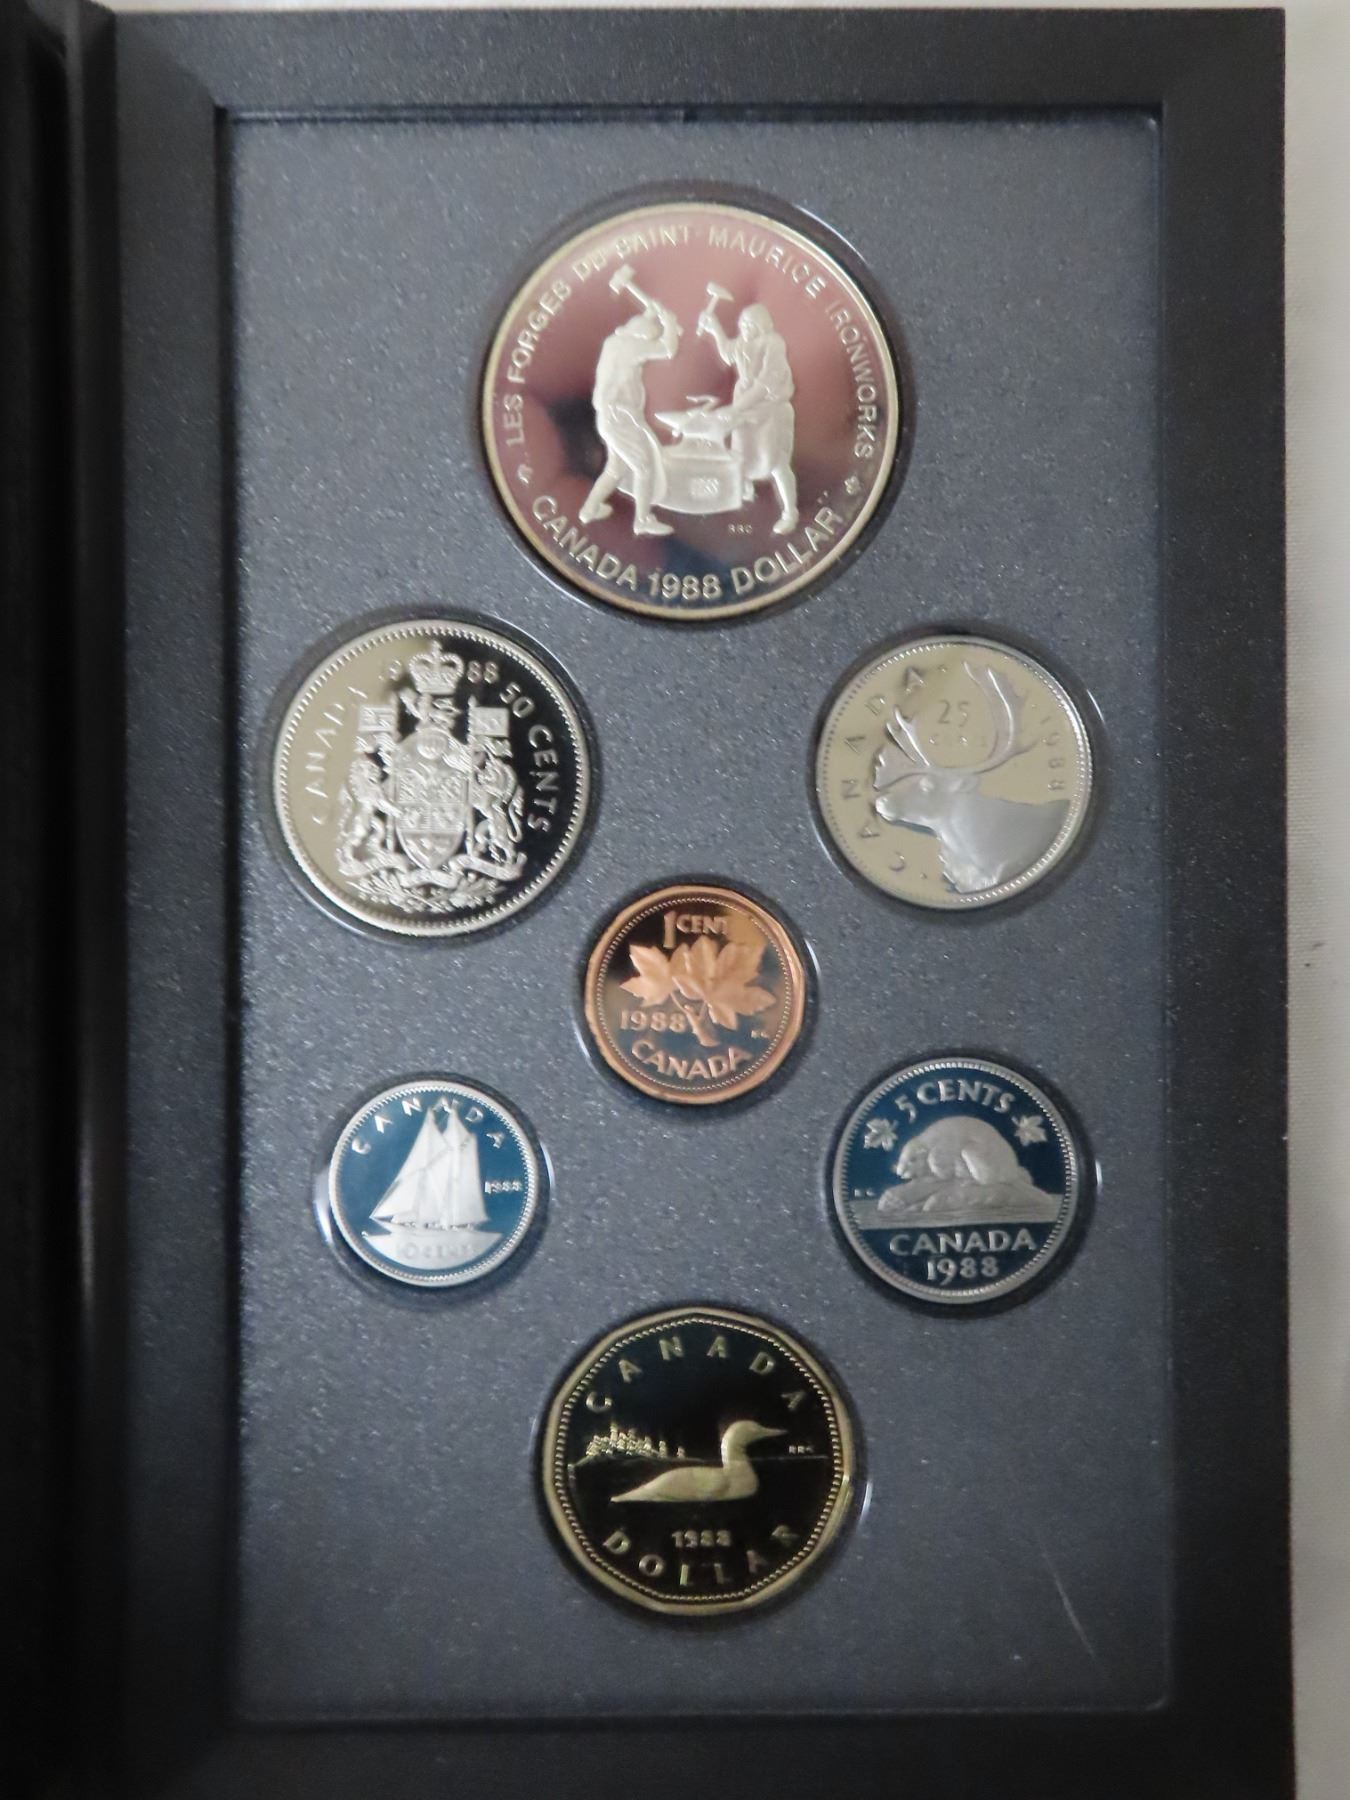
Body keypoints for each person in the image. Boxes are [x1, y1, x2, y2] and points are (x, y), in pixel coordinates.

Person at [578, 301, 681, 536]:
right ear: (641, 336)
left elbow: (641, 330)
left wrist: (650, 315)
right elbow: (667, 349)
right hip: (621, 418)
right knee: (644, 467)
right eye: (648, 339)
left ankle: (589, 510)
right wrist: (670, 324)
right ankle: (642, 520)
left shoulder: (614, 342)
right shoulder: (632, 347)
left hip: (608, 417)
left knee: (616, 469)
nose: (648, 345)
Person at [699, 302, 798, 534]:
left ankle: (790, 512)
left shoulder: (773, 342)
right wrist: (715, 328)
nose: (744, 327)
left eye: (750, 323)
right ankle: (744, 494)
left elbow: (765, 384)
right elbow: (728, 353)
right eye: (742, 323)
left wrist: (735, 409)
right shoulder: (744, 342)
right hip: (744, 408)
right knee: (741, 455)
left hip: (769, 409)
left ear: (761, 325)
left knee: (777, 462)